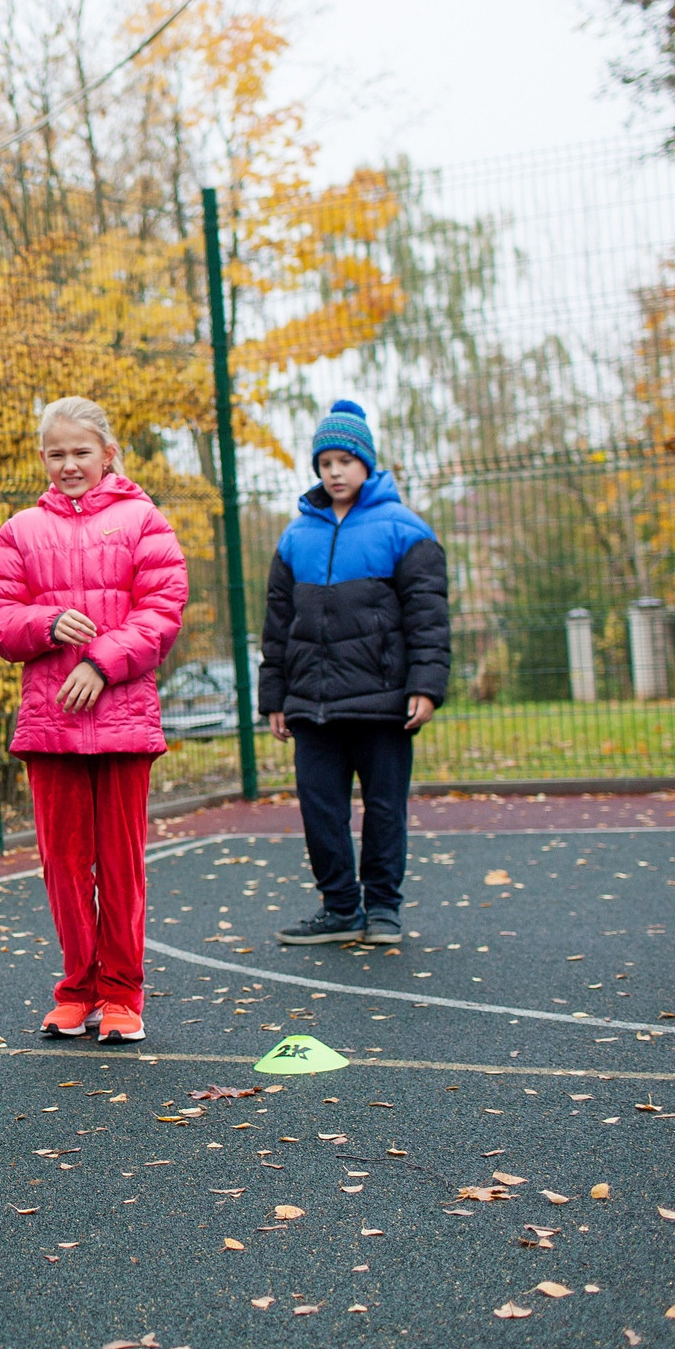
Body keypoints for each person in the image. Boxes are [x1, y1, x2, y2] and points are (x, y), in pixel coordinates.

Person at [0, 397, 187, 1045]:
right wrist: (42, 623)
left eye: (81, 452)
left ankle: (122, 993)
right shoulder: (20, 531)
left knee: (120, 865)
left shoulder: (144, 520)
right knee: (64, 865)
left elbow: (163, 610)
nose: (69, 464)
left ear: (107, 454)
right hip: (51, 728)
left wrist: (100, 661)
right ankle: (78, 987)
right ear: (43, 458)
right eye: (57, 453)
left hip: (122, 722)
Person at [260, 401, 451, 948]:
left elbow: (428, 617)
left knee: (385, 808)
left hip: (382, 701)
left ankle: (383, 909)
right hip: (312, 704)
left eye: (345, 460)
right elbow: (277, 625)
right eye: (325, 463)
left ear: (367, 462)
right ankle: (340, 907)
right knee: (321, 809)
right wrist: (276, 695)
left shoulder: (404, 530)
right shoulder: (296, 537)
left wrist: (425, 685)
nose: (335, 472)